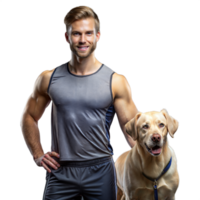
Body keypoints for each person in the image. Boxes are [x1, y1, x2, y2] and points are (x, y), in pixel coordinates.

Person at [20, 5, 139, 200]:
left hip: (101, 170)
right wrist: (38, 154)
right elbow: (30, 117)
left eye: (88, 33)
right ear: (66, 37)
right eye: (76, 34)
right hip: (60, 170)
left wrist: (152, 166)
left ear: (98, 35)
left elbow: (133, 131)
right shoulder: (48, 78)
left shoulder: (116, 82)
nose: (83, 40)